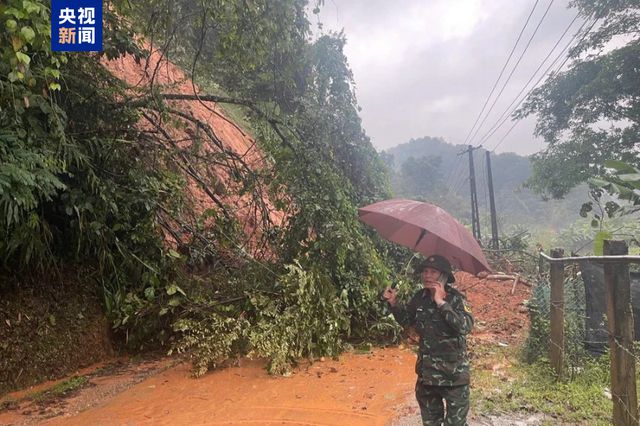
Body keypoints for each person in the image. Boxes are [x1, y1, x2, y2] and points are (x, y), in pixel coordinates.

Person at [383, 254, 473, 426]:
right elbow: (407, 320)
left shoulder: (455, 299)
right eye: (425, 271)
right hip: (427, 377)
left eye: (433, 271)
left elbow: (465, 326)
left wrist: (441, 303)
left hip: (454, 377)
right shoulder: (420, 298)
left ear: (444, 276)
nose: (427, 275)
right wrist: (394, 304)